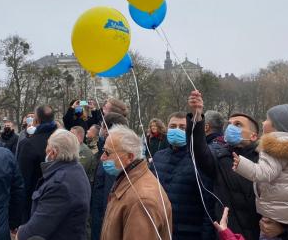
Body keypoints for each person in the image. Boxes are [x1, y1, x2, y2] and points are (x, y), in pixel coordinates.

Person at [233, 104, 288, 240]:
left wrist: (241, 164)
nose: (263, 122)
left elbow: (265, 173)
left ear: (279, 126)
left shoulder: (275, 146)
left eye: (268, 120)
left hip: (275, 216)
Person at [186, 90, 261, 240]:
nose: (231, 127)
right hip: (228, 234)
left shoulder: (265, 161)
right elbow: (198, 150)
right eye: (230, 124)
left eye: (238, 124)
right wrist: (197, 116)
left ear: (253, 136)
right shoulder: (220, 157)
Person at [100, 125, 172, 240]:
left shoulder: (142, 200)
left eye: (107, 152)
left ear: (129, 156)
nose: (102, 157)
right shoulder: (127, 179)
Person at [17, 129, 91, 240]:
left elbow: (36, 229)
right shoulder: (76, 169)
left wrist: (20, 234)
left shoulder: (60, 184)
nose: (45, 150)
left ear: (53, 152)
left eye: (47, 146)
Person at [153, 112, 214, 240]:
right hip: (159, 230)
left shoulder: (199, 160)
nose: (176, 130)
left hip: (189, 233)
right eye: (173, 126)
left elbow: (208, 207)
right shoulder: (158, 156)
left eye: (182, 127)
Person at [90, 113, 129, 240]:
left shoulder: (116, 154)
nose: (100, 130)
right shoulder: (107, 149)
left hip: (105, 220)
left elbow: (110, 190)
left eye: (102, 126)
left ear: (107, 129)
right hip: (99, 216)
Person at [17, 105, 58, 222]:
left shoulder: (29, 144)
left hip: (35, 203)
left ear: (37, 120)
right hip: (58, 198)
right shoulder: (62, 139)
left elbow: (23, 180)